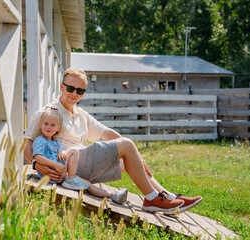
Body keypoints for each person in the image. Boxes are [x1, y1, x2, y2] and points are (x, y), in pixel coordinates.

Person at [24, 68, 202, 214]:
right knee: (127, 145)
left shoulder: (81, 114)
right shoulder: (47, 113)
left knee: (132, 158)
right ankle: (151, 199)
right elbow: (27, 145)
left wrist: (138, 156)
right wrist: (35, 164)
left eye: (80, 91)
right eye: (70, 88)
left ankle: (166, 196)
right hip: (69, 167)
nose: (74, 94)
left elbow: (107, 133)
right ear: (61, 87)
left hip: (85, 169)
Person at [32, 106, 129, 204]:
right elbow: (38, 157)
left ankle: (113, 195)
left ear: (58, 128)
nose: (48, 127)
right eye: (46, 124)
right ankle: (71, 178)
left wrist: (61, 151)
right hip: (52, 172)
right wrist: (55, 165)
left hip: (60, 173)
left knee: (88, 185)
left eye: (53, 125)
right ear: (40, 124)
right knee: (74, 151)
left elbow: (61, 149)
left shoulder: (55, 141)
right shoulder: (40, 140)